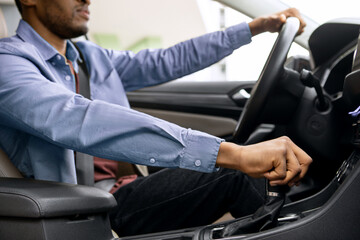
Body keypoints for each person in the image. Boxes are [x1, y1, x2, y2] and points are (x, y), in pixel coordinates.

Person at [0, 0, 311, 236]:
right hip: (83, 210)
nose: (87, 0)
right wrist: (231, 154)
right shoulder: (8, 63)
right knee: (237, 171)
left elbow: (168, 61)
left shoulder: (88, 57)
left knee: (250, 153)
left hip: (122, 189)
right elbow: (76, 118)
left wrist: (253, 29)